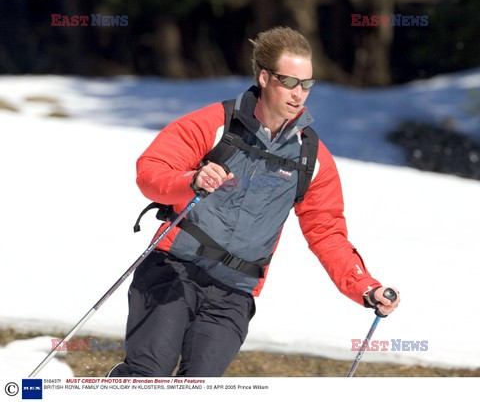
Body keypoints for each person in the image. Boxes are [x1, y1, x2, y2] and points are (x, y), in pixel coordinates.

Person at [109, 26, 400, 377]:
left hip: (235, 291)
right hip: (174, 268)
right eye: (289, 82)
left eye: (306, 84)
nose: (299, 94)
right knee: (147, 377)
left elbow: (326, 233)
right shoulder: (215, 125)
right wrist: (191, 181)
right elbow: (150, 172)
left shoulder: (312, 158)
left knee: (197, 389)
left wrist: (365, 287)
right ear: (264, 77)